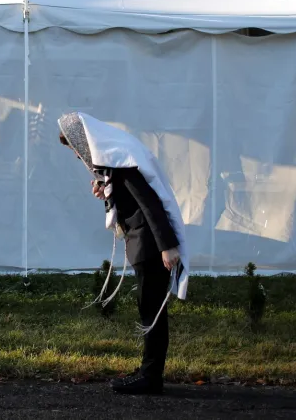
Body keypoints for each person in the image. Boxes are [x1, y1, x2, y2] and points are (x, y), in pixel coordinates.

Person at [58, 112, 189, 396]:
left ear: (84, 142)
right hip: (142, 243)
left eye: (75, 149)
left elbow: (150, 203)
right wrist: (108, 192)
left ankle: (151, 377)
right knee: (149, 308)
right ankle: (148, 371)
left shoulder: (122, 164)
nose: (77, 156)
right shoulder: (117, 162)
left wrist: (167, 246)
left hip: (150, 245)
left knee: (151, 310)